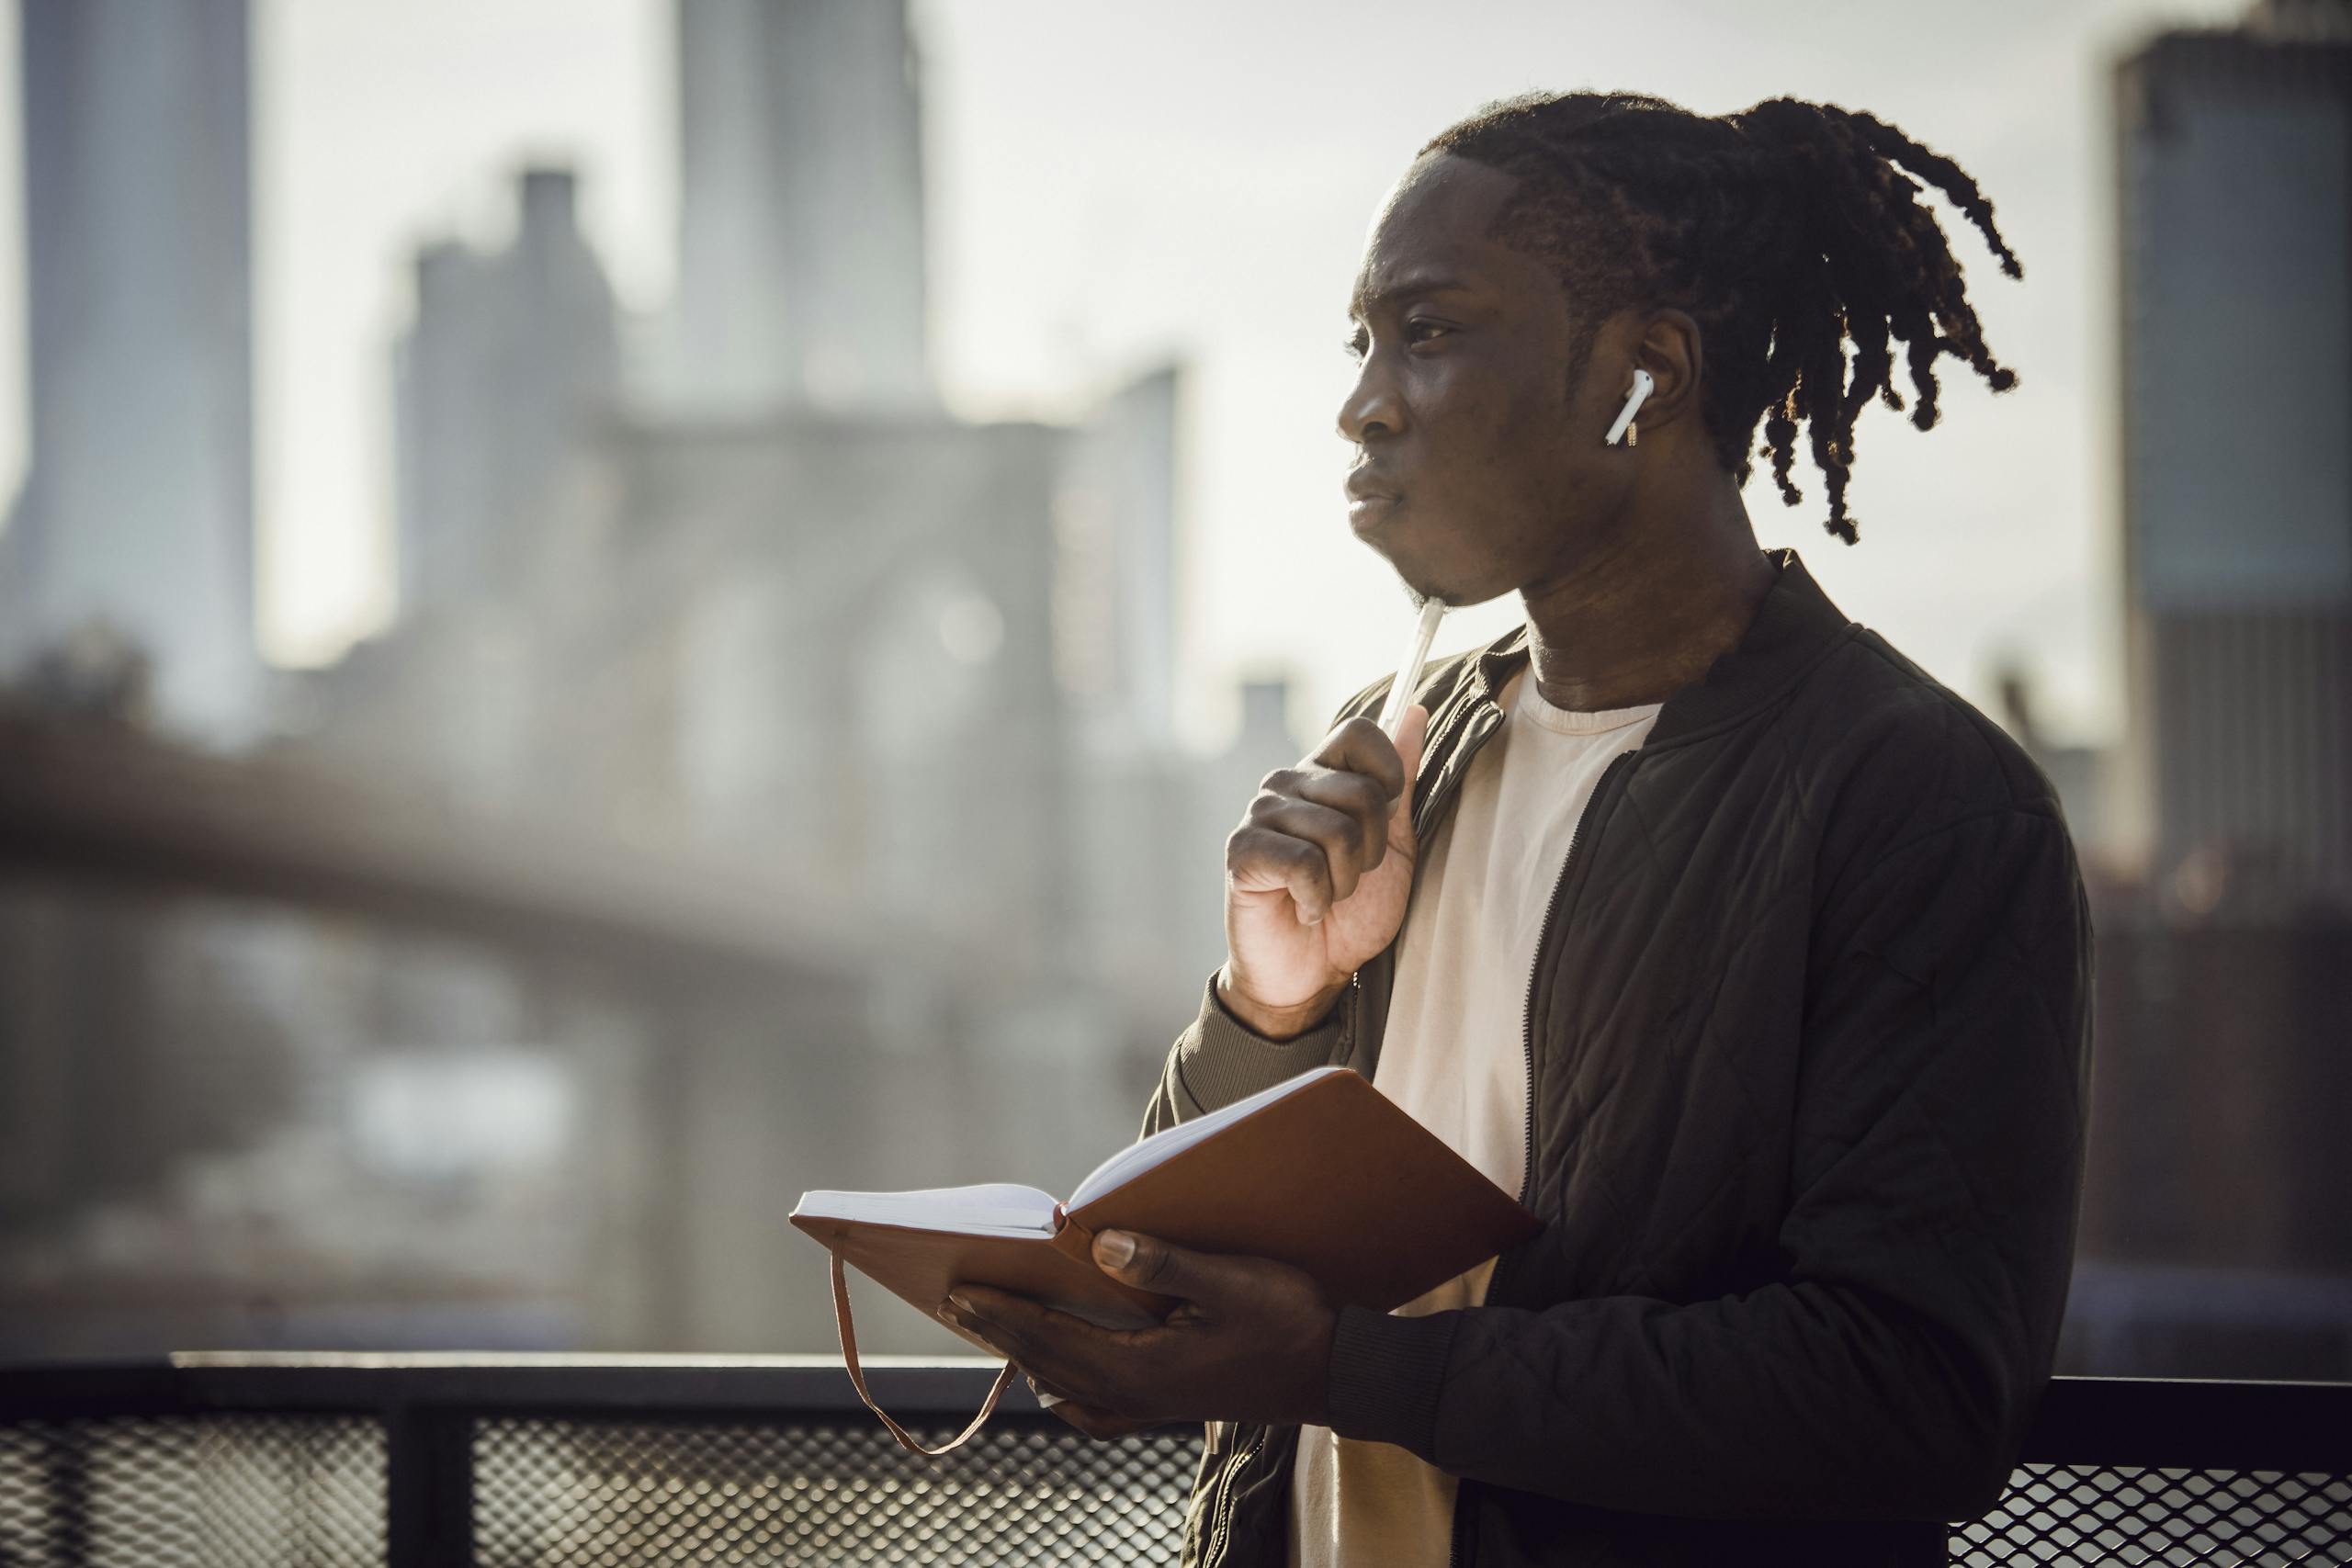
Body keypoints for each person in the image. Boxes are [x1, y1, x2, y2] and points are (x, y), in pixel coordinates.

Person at [940, 90, 2094, 1568]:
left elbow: (1910, 1396)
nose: (1362, 399)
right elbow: (1191, 1267)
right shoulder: (1407, 748)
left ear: (1642, 377)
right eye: (1363, 338)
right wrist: (1269, 1004)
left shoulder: (1919, 799)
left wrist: (1343, 1371)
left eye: (1427, 332)